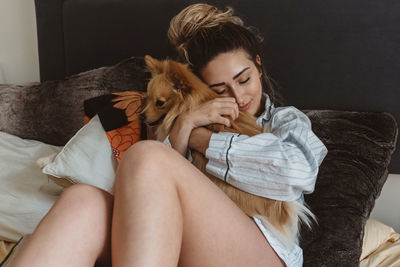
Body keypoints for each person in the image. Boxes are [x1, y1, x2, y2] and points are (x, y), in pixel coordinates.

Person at [9, 3, 327, 267]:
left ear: (258, 66)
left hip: (262, 252)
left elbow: (296, 172)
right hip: (182, 249)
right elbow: (157, 198)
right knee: (84, 199)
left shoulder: (287, 120)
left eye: (243, 79)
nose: (237, 96)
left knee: (146, 156)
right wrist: (186, 124)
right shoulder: (183, 123)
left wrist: (201, 139)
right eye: (220, 89)